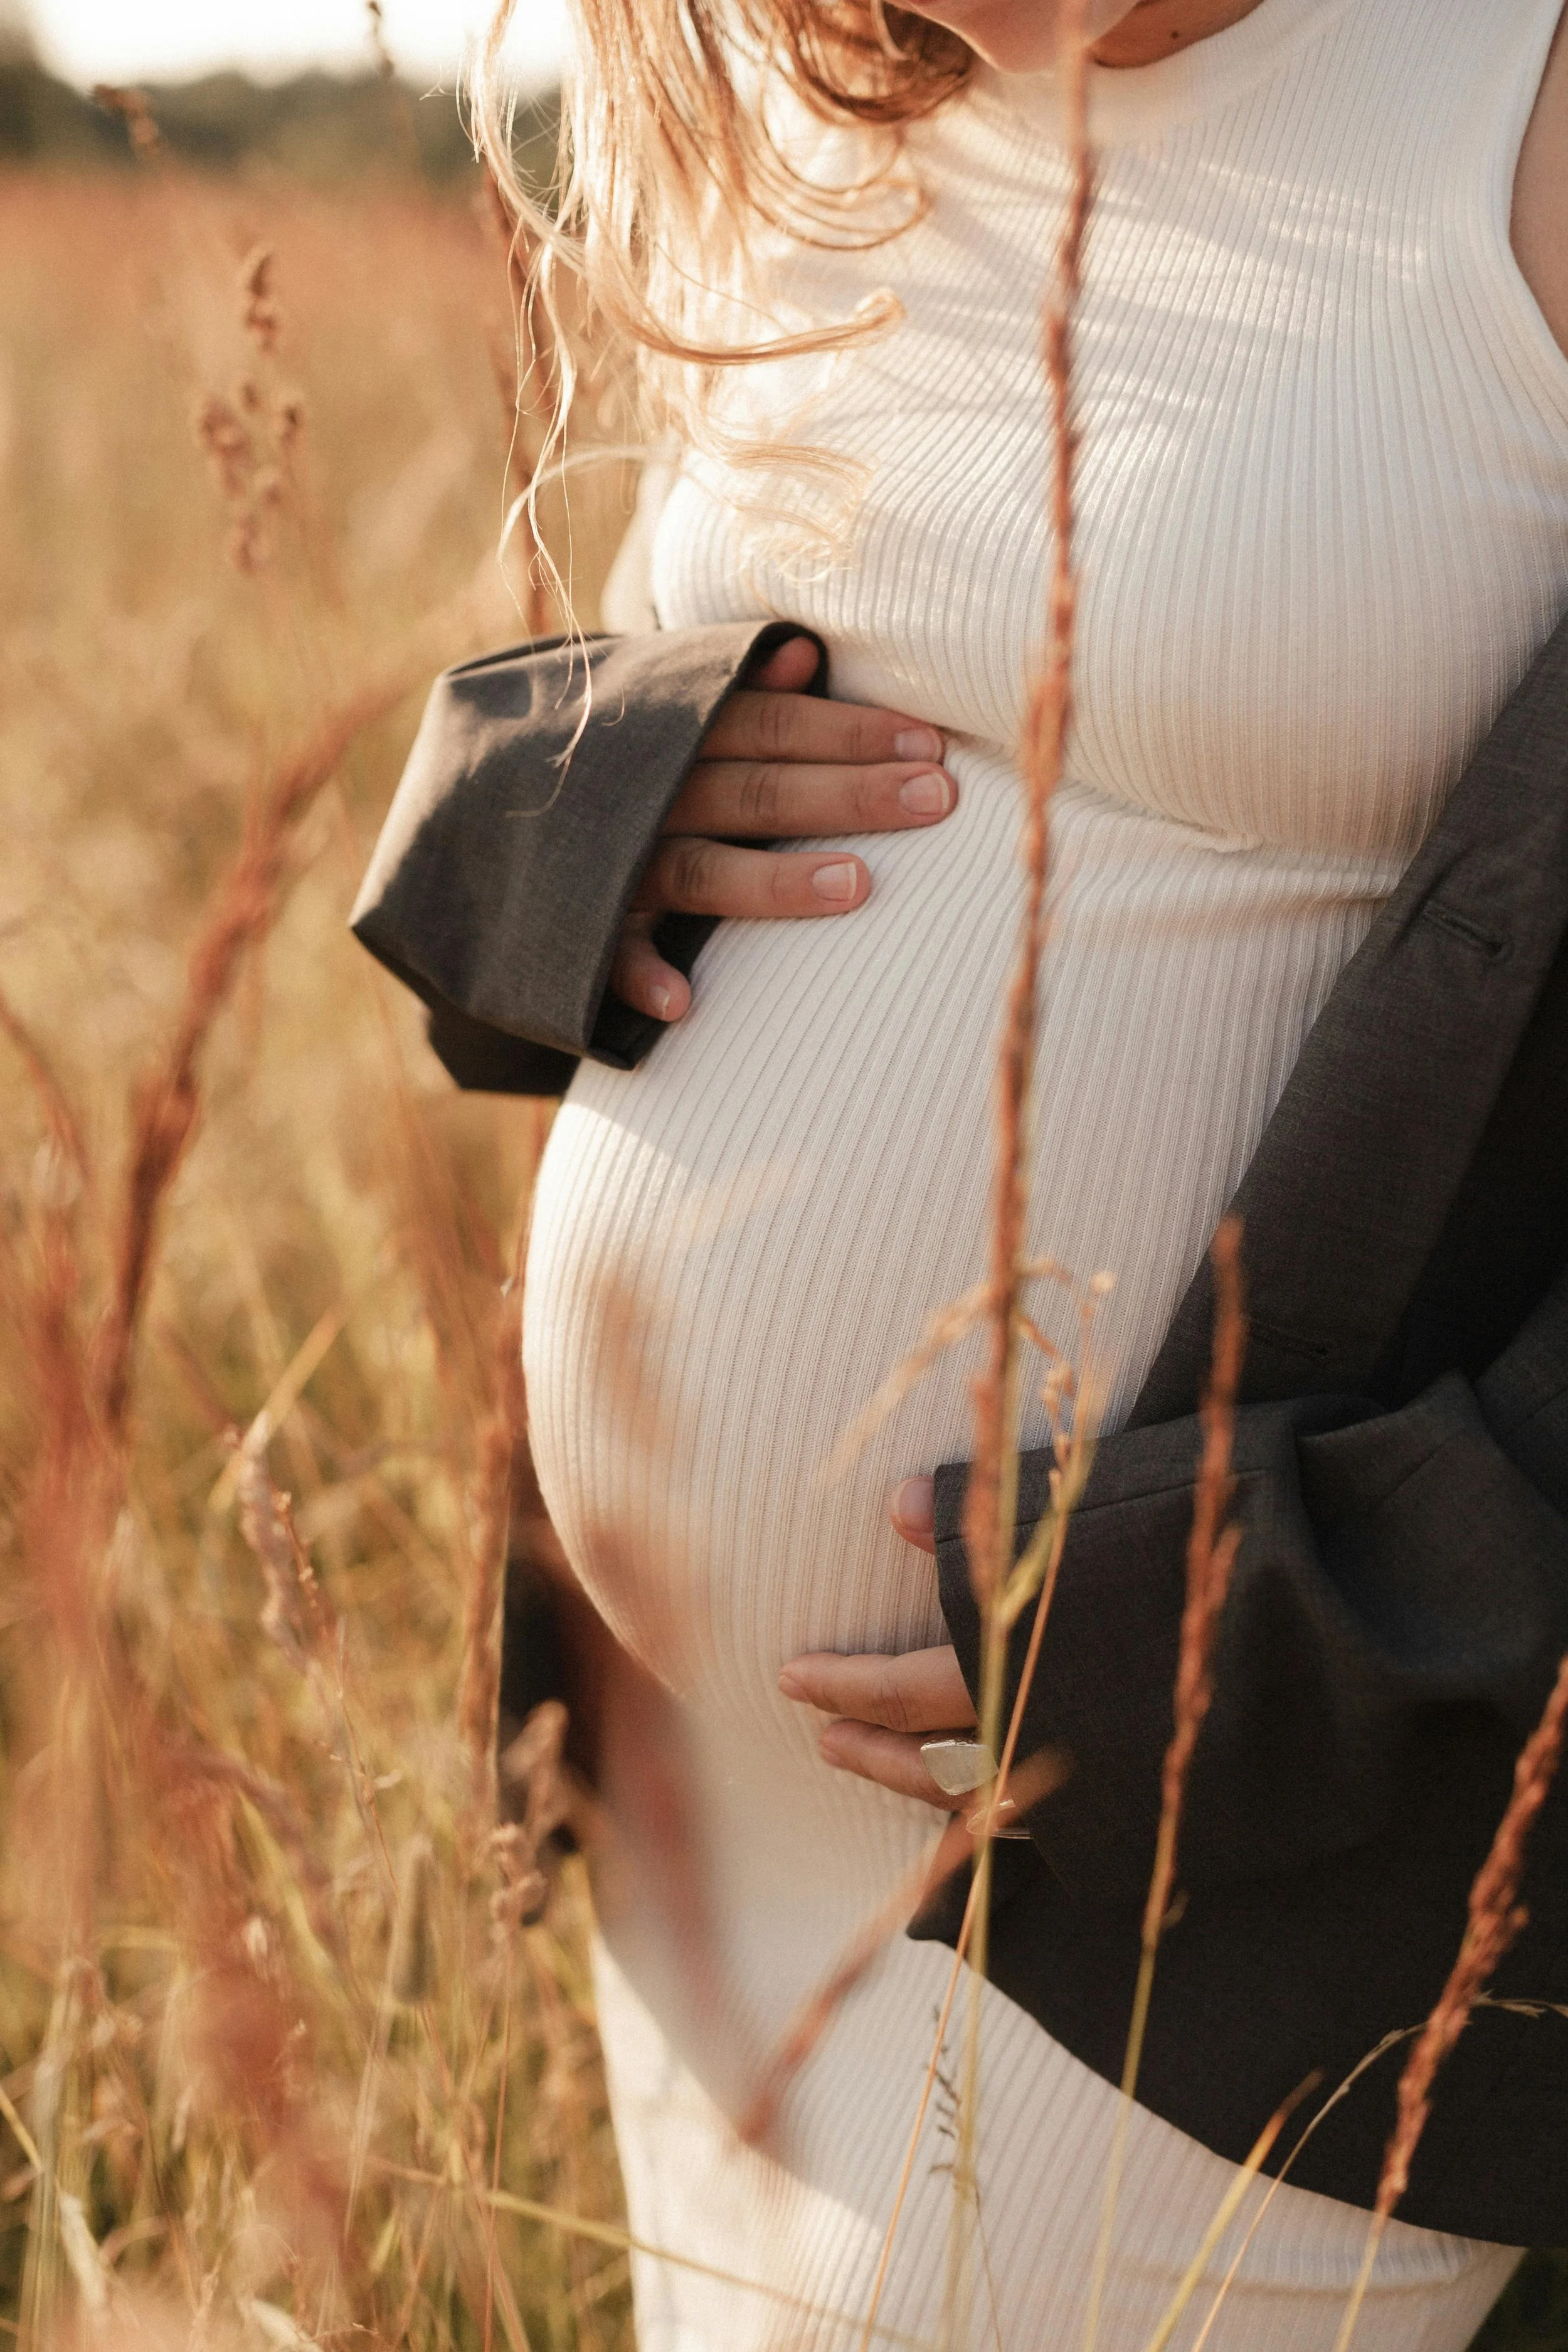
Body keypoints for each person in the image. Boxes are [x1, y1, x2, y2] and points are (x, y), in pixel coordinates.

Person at [355, 0, 1568, 2342]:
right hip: (710, 1795)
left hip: (1255, 1832)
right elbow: (675, 693)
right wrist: (574, 806)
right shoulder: (800, 89)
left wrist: (1310, 1618)